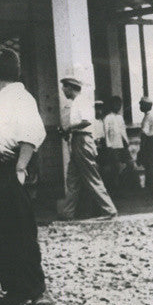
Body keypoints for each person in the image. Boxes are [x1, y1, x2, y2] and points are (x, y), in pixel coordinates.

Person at [0, 47, 53, 305]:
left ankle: (36, 289)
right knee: (0, 230)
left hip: (13, 165)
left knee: (21, 229)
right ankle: (14, 289)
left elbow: (32, 134)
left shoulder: (22, 97)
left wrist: (21, 167)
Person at [58, 77, 117, 220]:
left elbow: (86, 121)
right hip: (77, 140)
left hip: (83, 141)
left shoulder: (81, 101)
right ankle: (67, 213)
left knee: (92, 177)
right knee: (72, 179)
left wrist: (68, 128)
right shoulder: (76, 102)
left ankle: (109, 211)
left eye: (64, 88)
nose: (63, 92)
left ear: (70, 88)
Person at [103, 95, 130, 194]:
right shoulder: (107, 118)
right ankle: (115, 190)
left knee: (125, 167)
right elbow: (106, 133)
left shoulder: (120, 118)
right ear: (111, 105)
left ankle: (124, 188)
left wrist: (126, 142)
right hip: (113, 147)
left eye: (120, 104)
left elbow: (123, 131)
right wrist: (108, 146)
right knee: (115, 169)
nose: (118, 106)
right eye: (116, 104)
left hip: (122, 146)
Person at [138, 97, 153, 193]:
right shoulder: (152, 116)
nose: (140, 106)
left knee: (150, 165)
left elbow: (144, 134)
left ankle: (151, 188)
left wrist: (141, 149)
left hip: (150, 142)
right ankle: (152, 187)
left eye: (141, 104)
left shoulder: (148, 117)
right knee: (152, 165)